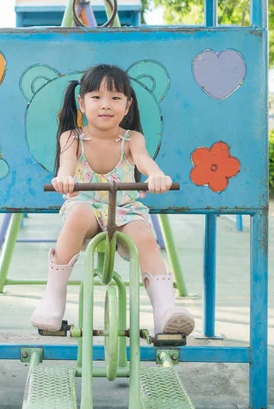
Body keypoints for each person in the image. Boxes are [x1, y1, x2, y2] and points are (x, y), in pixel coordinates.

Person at [30, 64, 195, 337]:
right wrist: (64, 179)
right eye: (96, 97)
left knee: (144, 236)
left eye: (116, 98)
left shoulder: (132, 139)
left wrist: (157, 176)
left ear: (127, 106)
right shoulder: (72, 137)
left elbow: (145, 161)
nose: (106, 105)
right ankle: (53, 300)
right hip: (85, 205)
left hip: (125, 209)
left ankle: (165, 310)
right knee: (78, 214)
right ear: (81, 103)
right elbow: (66, 168)